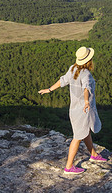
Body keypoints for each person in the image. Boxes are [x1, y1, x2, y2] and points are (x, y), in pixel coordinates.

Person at [38, 46, 107, 175]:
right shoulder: (86, 73)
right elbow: (86, 88)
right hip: (83, 110)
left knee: (85, 131)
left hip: (74, 109)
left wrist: (49, 89)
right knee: (77, 137)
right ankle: (69, 167)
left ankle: (93, 154)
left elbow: (62, 80)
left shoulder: (72, 68)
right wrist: (86, 101)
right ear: (89, 61)